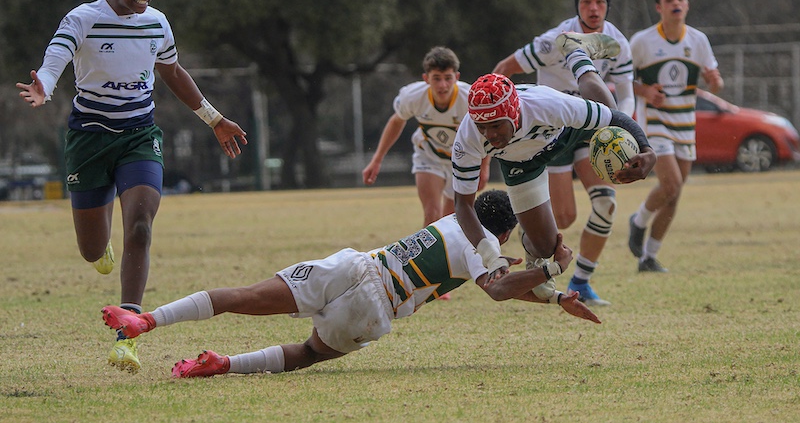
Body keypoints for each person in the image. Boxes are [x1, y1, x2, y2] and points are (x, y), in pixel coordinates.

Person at [15, 0, 248, 373]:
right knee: (90, 250)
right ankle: (99, 243)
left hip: (140, 136)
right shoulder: (83, 18)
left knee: (140, 226)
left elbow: (173, 72)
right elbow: (58, 56)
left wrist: (213, 119)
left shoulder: (157, 22)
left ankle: (128, 336)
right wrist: (44, 86)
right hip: (88, 141)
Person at [101, 189, 601, 378]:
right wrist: (555, 269)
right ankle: (222, 365)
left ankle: (143, 318)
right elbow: (498, 287)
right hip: (374, 303)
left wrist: (555, 296)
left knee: (244, 296)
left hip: (354, 265)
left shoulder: (457, 222)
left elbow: (506, 280)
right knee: (312, 353)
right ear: (507, 229)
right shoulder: (487, 250)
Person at [452, 33, 657, 302]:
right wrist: (491, 257)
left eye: (496, 125)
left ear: (514, 112)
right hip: (521, 165)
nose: (489, 135)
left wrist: (646, 150)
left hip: (564, 134)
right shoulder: (468, 136)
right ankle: (532, 239)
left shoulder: (547, 104)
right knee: (546, 246)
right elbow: (463, 205)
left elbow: (616, 118)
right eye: (482, 126)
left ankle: (576, 53)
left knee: (610, 118)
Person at [492, 0, 634, 306]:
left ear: (607, 7)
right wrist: (499, 113)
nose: (594, 8)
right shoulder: (552, 41)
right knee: (564, 218)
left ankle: (582, 281)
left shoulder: (617, 43)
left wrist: (623, 125)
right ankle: (531, 238)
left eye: (600, 3)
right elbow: (505, 68)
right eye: (586, 2)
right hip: (553, 131)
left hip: (590, 127)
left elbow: (626, 94)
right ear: (577, 7)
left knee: (606, 204)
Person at [627, 0, 723, 273]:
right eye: (669, 0)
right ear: (659, 7)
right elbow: (622, 81)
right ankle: (639, 220)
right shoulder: (642, 41)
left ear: (687, 5)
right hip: (655, 123)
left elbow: (716, 83)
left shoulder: (698, 41)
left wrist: (715, 81)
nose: (676, 4)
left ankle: (649, 257)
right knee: (671, 184)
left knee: (674, 194)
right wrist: (645, 92)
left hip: (685, 123)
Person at [362, 47, 490, 227]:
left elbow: (485, 133)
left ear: (457, 77)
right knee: (432, 214)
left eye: (447, 78)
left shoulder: (469, 99)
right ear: (426, 79)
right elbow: (396, 121)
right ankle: (426, 256)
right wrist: (377, 159)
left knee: (451, 222)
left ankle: (447, 255)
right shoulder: (413, 96)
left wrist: (484, 167)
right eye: (436, 78)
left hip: (461, 159)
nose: (442, 85)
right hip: (428, 156)